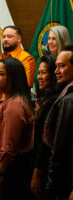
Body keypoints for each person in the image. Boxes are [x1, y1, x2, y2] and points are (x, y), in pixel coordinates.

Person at [0, 57, 34, 200]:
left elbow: (9, 145)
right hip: (6, 167)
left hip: (8, 169)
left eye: (2, 74)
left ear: (13, 76)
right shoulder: (12, 100)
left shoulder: (15, 104)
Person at [43, 45, 73, 200]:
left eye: (61, 66)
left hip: (65, 183)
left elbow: (59, 149)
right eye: (56, 66)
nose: (56, 72)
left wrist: (50, 189)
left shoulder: (68, 100)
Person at [29, 54, 58, 200]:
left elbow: (45, 142)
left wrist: (36, 173)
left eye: (44, 73)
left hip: (46, 168)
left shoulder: (53, 101)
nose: (39, 77)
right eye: (38, 73)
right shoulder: (44, 99)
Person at [0, 25, 36, 99]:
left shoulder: (27, 58)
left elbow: (26, 84)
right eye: (3, 37)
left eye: (9, 37)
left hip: (17, 101)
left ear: (19, 39)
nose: (5, 39)